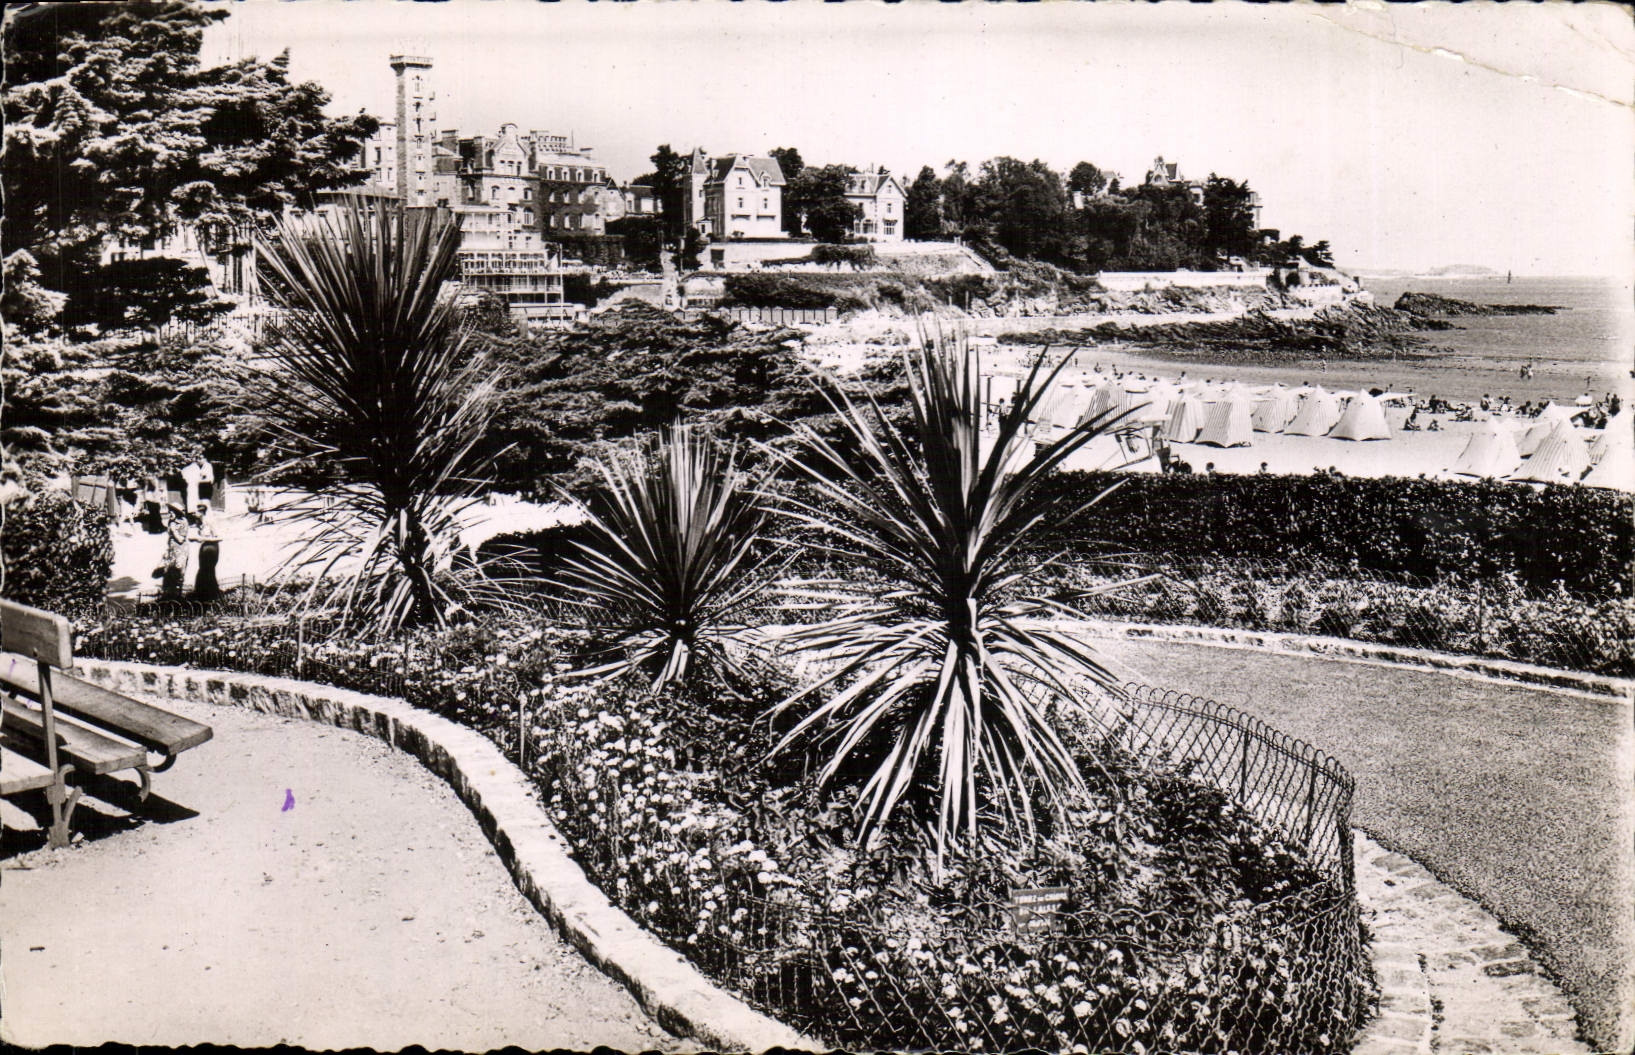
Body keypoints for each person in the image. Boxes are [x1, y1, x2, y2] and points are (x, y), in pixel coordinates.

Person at [159, 505, 190, 601]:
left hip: (180, 550)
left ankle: (177, 597)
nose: (170, 514)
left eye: (172, 512)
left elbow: (180, 539)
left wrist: (174, 530)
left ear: (177, 513)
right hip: (172, 550)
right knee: (169, 572)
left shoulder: (182, 522)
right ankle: (169, 596)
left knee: (178, 572)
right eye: (169, 512)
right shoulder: (171, 522)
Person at [192, 502, 222, 601]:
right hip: (204, 548)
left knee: (207, 571)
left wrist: (202, 539)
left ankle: (210, 596)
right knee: (204, 571)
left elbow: (219, 537)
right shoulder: (200, 522)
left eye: (196, 512)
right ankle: (206, 596)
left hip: (211, 549)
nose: (194, 514)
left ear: (202, 512)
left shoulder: (209, 521)